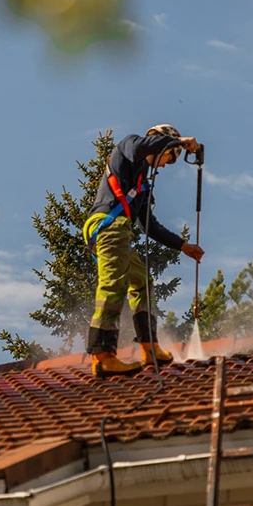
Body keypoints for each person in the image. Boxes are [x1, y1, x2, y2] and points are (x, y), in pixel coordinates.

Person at [84, 124, 204, 378]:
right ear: (159, 143)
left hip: (119, 231)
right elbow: (142, 146)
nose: (164, 166)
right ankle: (103, 356)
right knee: (113, 284)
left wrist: (183, 246)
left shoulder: (143, 183)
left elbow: (148, 225)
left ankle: (150, 349)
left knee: (142, 282)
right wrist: (179, 142)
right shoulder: (129, 147)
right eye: (167, 159)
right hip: (109, 226)